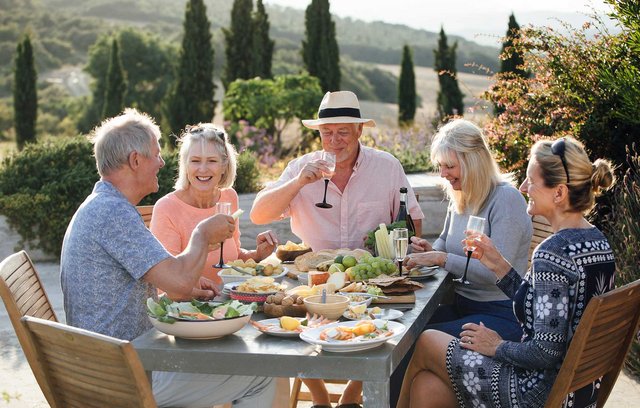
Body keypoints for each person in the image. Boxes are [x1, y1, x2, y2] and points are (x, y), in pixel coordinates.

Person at [60, 109, 275, 408]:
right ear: (136, 160)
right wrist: (202, 233)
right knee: (264, 375)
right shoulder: (112, 214)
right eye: (156, 155)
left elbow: (175, 277)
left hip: (120, 362)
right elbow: (178, 283)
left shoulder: (105, 205)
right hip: (120, 378)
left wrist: (190, 278)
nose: (162, 163)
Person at [397, 136, 616, 408]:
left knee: (427, 340)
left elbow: (544, 352)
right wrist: (498, 264)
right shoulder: (598, 243)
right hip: (576, 392)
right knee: (428, 387)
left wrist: (496, 346)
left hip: (532, 392)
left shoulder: (553, 252)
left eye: (531, 181)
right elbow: (543, 308)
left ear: (558, 193)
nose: (524, 187)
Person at [251, 90, 424, 408]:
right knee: (289, 320)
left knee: (390, 321)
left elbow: (412, 223)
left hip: (367, 280)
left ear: (360, 130)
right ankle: (318, 398)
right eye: (327, 132)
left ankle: (351, 395)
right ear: (318, 133)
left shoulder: (386, 167)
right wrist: (298, 184)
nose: (334, 140)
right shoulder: (301, 168)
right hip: (309, 281)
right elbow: (259, 213)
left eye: (343, 131)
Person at [389, 119, 532, 406]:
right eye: (440, 166)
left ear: (473, 161)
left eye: (449, 166)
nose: (443, 174)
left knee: (411, 343)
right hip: (464, 308)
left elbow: (495, 273)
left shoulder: (506, 200)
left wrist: (442, 258)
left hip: (501, 317)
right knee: (398, 335)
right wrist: (428, 250)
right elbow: (444, 243)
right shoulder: (462, 198)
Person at [150, 123, 277, 286]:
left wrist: (258, 254)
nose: (203, 169)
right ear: (186, 165)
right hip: (188, 305)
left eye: (211, 161)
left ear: (224, 165)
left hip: (231, 301)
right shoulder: (166, 208)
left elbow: (234, 257)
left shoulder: (229, 197)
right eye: (195, 161)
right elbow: (167, 277)